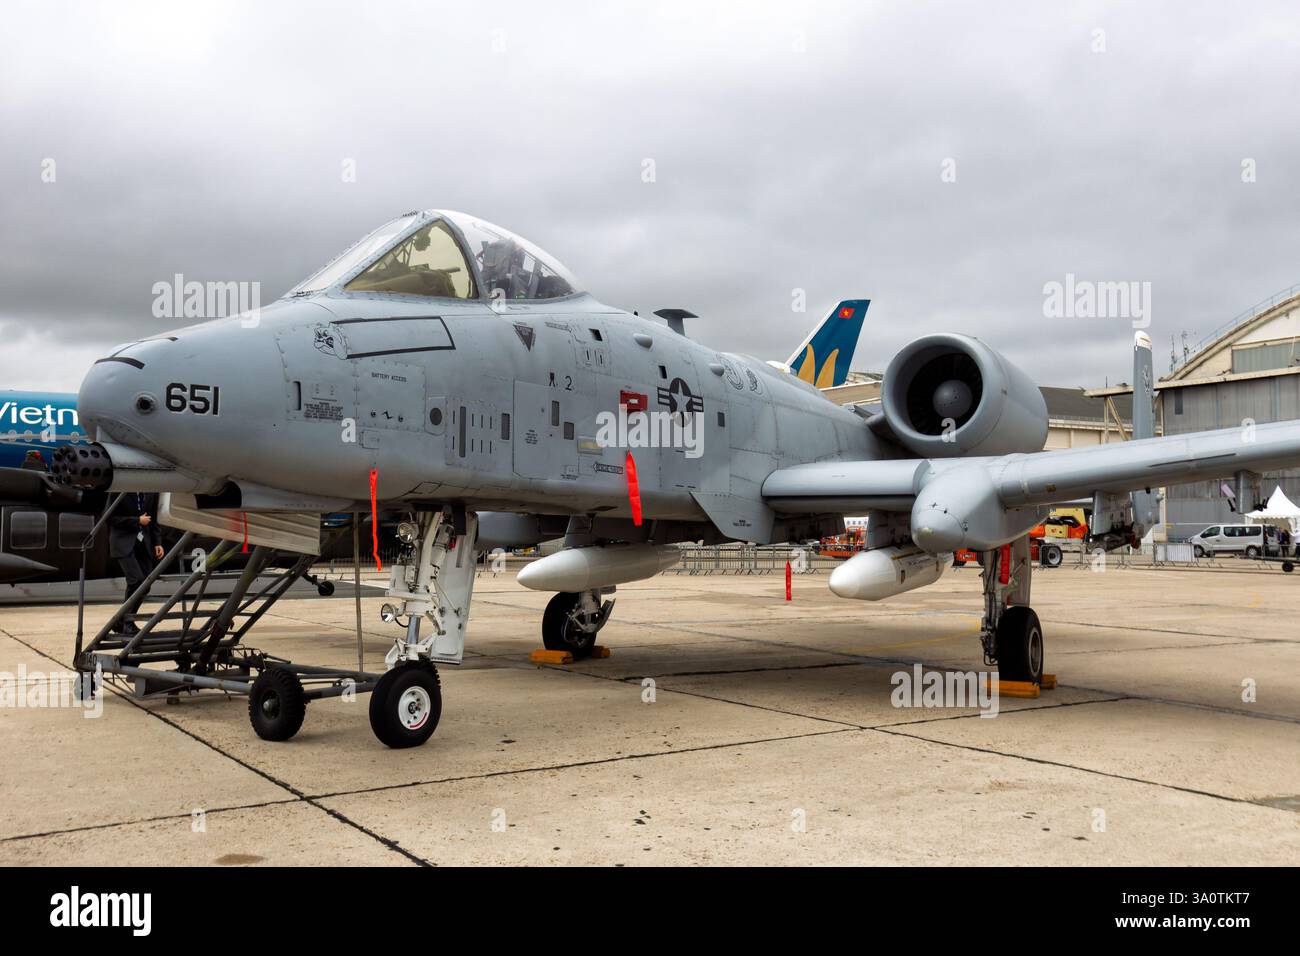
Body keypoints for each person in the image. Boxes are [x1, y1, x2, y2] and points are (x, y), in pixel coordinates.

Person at [108, 493, 164, 635]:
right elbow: (110, 518)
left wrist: (157, 543)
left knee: (145, 584)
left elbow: (154, 519)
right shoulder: (120, 490)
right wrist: (136, 520)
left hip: (143, 542)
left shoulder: (151, 492)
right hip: (123, 542)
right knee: (135, 580)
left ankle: (120, 622)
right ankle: (128, 622)